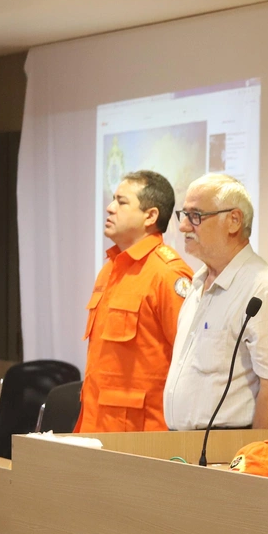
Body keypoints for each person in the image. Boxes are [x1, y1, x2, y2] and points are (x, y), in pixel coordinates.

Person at [163, 174, 268, 430]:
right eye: (184, 215)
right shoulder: (196, 284)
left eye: (196, 216)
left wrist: (253, 458)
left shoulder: (262, 288)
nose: (183, 227)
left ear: (233, 220)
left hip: (227, 451)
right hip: (182, 446)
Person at [76, 170, 193, 432]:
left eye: (121, 201)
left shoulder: (168, 273)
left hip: (141, 437)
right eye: (112, 199)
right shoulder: (110, 269)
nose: (109, 208)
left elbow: (190, 361)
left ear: (150, 216)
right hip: (96, 426)